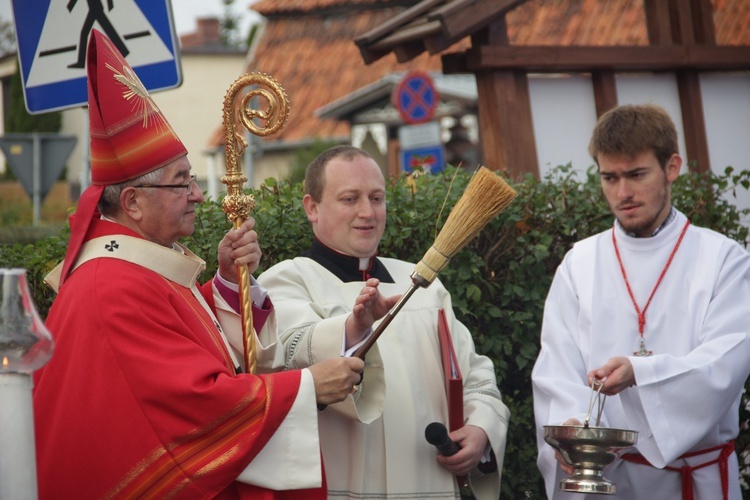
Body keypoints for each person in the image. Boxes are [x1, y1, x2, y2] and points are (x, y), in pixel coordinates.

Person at [33, 30, 373, 499]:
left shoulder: (138, 265)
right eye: (180, 184)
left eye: (191, 179)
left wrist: (228, 286)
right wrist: (307, 385)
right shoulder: (110, 287)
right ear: (132, 201)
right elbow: (190, 403)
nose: (197, 194)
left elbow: (184, 340)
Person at [257, 145, 510, 499]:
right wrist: (352, 328)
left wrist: (481, 429)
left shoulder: (423, 284)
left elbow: (474, 374)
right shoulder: (287, 281)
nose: (367, 212)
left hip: (429, 483)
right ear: (311, 208)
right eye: (350, 199)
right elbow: (289, 361)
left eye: (377, 198)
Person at [532, 104, 750, 499]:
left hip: (695, 481)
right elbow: (557, 371)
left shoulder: (723, 259)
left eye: (636, 175)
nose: (623, 193)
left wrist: (641, 372)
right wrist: (571, 427)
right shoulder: (580, 263)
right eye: (609, 178)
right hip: (607, 482)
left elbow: (725, 363)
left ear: (671, 167)